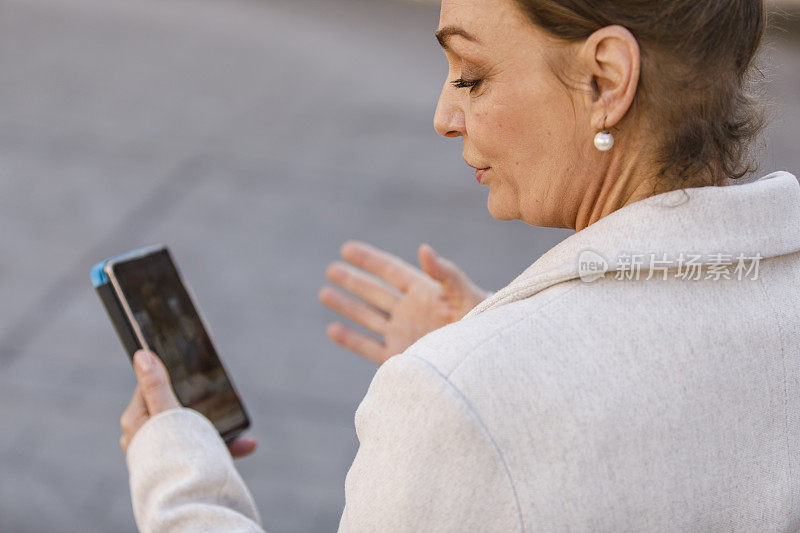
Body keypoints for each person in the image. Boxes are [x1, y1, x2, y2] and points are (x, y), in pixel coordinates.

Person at [118, 0, 800, 530]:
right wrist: (499, 333)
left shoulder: (458, 397)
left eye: (472, 76)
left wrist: (180, 476)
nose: (444, 114)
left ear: (606, 79)